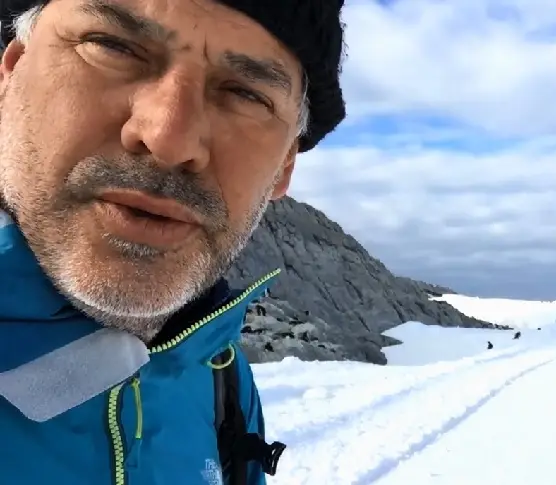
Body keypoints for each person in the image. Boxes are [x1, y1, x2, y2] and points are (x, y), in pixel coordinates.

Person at [0, 0, 346, 484]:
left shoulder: (218, 373)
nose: (168, 137)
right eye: (112, 46)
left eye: (246, 94)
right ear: (11, 73)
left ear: (284, 167)